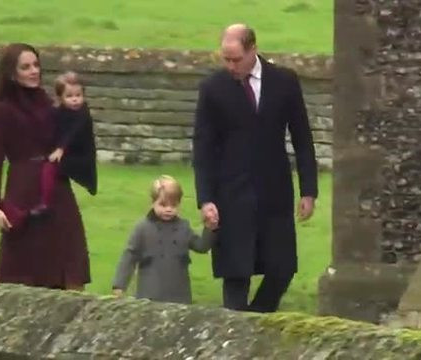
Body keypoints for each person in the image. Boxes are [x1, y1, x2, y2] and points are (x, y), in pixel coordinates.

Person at [192, 24, 318, 312]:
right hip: (231, 193)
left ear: (253, 50)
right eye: (225, 58)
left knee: (282, 268)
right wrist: (206, 199)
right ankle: (236, 333)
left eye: (235, 59)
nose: (230, 65)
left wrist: (308, 190)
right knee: (236, 272)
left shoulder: (284, 81)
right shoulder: (213, 88)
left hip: (275, 191)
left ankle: (256, 318)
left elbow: (302, 137)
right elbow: (203, 147)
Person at [0, 43, 93, 291]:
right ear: (12, 73)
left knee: (70, 263)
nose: (34, 71)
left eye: (36, 65)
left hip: (57, 186)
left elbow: (74, 127)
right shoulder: (1, 109)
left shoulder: (46, 101)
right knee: (24, 274)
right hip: (23, 190)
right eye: (26, 67)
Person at [112, 175, 215, 304]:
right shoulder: (142, 228)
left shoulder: (183, 227)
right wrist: (119, 285)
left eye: (174, 205)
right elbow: (129, 256)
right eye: (163, 204)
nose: (168, 209)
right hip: (149, 295)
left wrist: (209, 228)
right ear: (153, 202)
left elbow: (201, 247)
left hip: (179, 297)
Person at [31, 71, 97, 217]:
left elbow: (73, 132)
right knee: (39, 164)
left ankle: (45, 204)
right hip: (66, 152)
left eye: (78, 95)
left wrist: (61, 148)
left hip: (80, 157)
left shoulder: (83, 114)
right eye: (69, 96)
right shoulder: (59, 111)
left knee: (50, 167)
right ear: (61, 97)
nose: (75, 100)